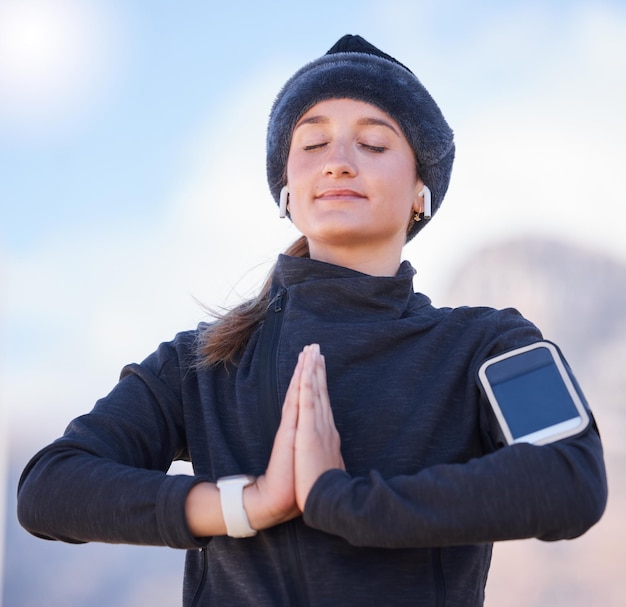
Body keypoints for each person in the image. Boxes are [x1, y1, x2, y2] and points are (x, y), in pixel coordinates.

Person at [17, 35, 607, 606]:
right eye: (312, 145)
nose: (338, 164)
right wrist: (248, 503)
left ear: (422, 191)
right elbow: (49, 487)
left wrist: (338, 499)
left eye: (374, 145)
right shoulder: (200, 364)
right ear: (287, 191)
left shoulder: (487, 345)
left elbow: (569, 475)